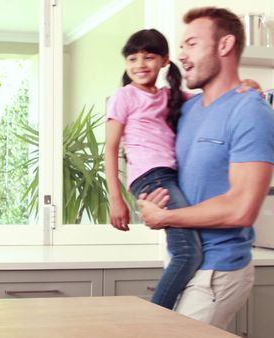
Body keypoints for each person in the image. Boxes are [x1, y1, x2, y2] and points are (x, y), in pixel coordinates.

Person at [137, 7, 274, 329]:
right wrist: (148, 202)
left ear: (224, 45)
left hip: (218, 270)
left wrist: (166, 217)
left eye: (192, 44)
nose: (181, 55)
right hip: (184, 259)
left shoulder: (250, 111)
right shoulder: (188, 107)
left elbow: (241, 209)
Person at [105, 29, 201, 310]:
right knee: (187, 253)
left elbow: (214, 99)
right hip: (151, 176)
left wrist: (247, 86)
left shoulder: (170, 96)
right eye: (132, 59)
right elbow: (110, 148)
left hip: (170, 176)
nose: (140, 65)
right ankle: (156, 319)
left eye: (149, 57)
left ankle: (169, 313)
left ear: (165, 61)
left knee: (184, 250)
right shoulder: (124, 96)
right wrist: (116, 198)